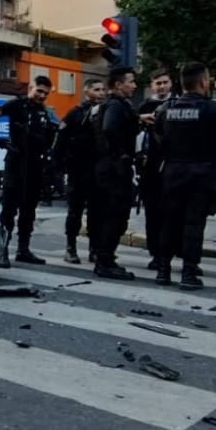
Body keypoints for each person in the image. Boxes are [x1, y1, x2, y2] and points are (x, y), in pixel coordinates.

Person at [153, 62, 216, 289]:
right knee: (193, 223)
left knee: (169, 221)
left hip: (173, 170)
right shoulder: (214, 108)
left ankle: (163, 271)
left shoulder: (167, 109)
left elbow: (159, 137)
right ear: (203, 81)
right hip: (202, 171)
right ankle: (189, 274)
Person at [0, 76, 57, 268]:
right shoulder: (17, 105)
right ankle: (2, 251)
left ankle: (23, 250)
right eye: (38, 90)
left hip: (35, 165)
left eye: (45, 93)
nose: (41, 95)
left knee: (29, 209)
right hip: (16, 162)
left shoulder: (45, 113)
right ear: (30, 88)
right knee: (9, 208)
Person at [90, 66, 140, 280]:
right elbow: (110, 128)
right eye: (131, 81)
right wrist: (120, 154)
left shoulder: (113, 105)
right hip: (114, 169)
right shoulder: (115, 106)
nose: (134, 86)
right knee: (115, 215)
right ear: (118, 84)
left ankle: (105, 257)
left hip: (107, 167)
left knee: (110, 215)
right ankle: (105, 260)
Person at [53, 78, 106, 264]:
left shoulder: (105, 111)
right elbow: (61, 141)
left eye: (102, 89)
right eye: (97, 89)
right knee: (75, 211)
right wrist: (57, 167)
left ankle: (94, 249)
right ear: (86, 91)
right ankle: (71, 248)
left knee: (96, 213)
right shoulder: (75, 113)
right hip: (77, 169)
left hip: (97, 170)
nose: (101, 93)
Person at [136, 68, 173, 269]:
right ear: (152, 86)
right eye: (158, 83)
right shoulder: (145, 106)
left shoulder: (177, 103)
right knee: (153, 211)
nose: (162, 86)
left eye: (165, 82)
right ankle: (156, 253)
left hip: (173, 163)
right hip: (150, 164)